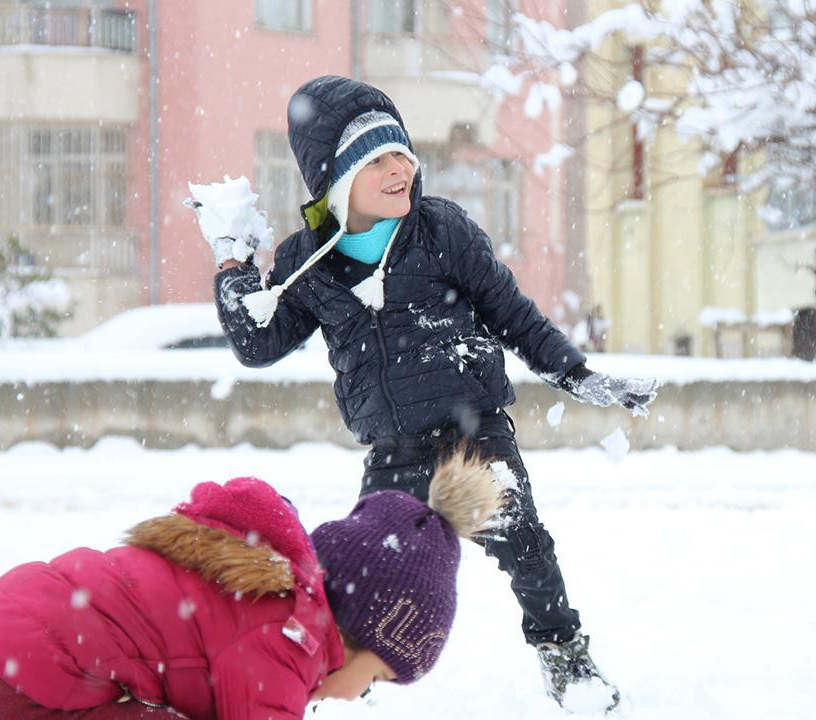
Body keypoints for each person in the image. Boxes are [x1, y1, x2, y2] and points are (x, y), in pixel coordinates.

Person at [204, 74, 657, 713]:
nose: (400, 170)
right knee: (360, 579)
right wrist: (233, 264)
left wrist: (577, 374)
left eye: (403, 153)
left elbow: (512, 314)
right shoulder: (308, 262)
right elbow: (258, 343)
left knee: (526, 548)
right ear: (336, 180)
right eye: (377, 160)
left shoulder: (441, 230)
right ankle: (334, 677)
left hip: (474, 435)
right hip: (393, 448)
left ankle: (565, 656)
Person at [0, 453, 502, 719]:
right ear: (358, 630)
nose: (359, 695)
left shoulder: (262, 592)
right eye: (377, 678)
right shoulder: (288, 640)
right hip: (10, 683)